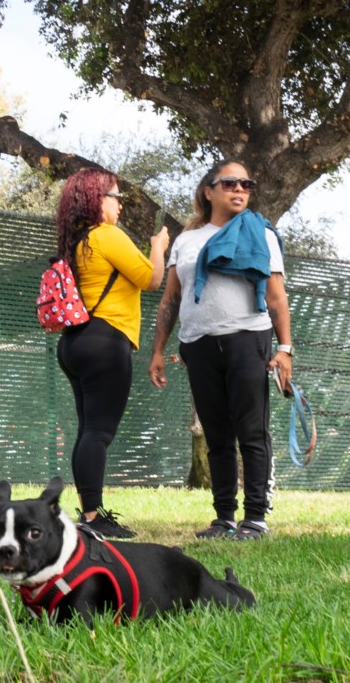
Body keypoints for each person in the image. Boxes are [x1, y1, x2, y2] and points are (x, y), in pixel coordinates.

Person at [149, 160, 293, 540]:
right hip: (198, 345)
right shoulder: (186, 241)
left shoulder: (259, 235)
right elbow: (171, 299)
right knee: (217, 435)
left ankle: (256, 517)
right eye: (230, 183)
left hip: (248, 339)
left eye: (246, 183)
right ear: (208, 191)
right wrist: (158, 351)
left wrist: (285, 349)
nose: (240, 189)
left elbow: (276, 297)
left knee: (251, 430)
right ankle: (224, 518)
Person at [54, 167, 170, 539]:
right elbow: (151, 279)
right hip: (106, 340)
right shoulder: (107, 235)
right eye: (116, 197)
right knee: (99, 432)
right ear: (96, 200)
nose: (120, 205)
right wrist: (158, 246)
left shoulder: (78, 241)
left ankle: (89, 513)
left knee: (88, 429)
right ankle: (92, 518)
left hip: (75, 341)